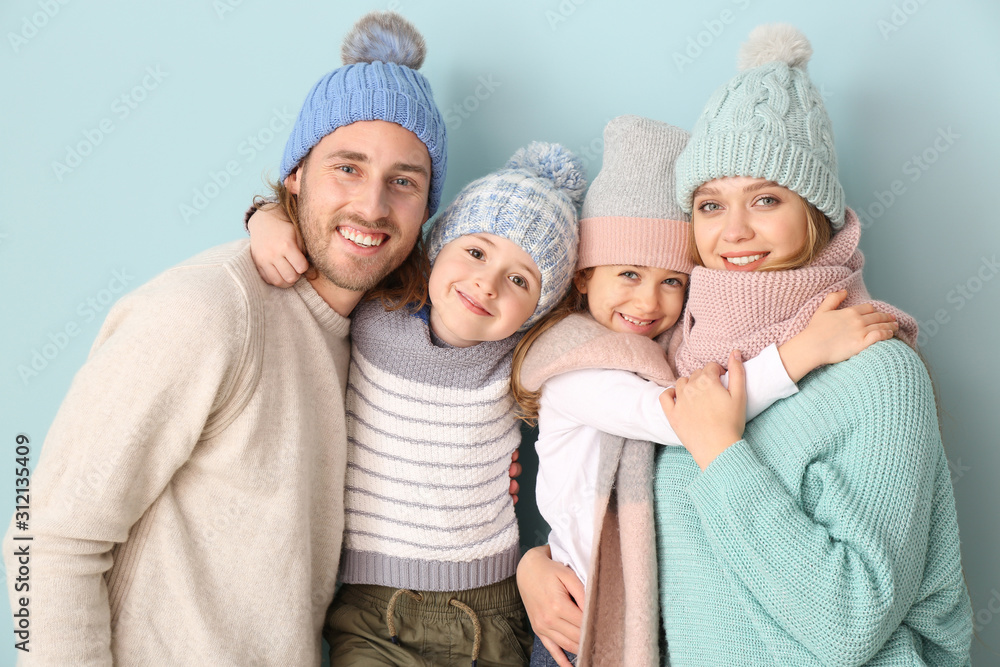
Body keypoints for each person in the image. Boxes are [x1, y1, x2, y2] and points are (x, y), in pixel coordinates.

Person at [2, 11, 449, 665]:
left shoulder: (381, 344)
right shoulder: (207, 311)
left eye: (404, 181)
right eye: (347, 168)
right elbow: (45, 537)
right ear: (295, 174)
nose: (374, 206)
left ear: (427, 206)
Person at [510, 115, 898, 667]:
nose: (648, 304)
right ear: (583, 277)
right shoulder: (577, 369)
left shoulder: (669, 354)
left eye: (672, 282)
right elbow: (681, 417)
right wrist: (804, 351)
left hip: (661, 626)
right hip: (583, 622)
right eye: (627, 274)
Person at [247, 142, 586, 665]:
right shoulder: (376, 311)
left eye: (520, 280)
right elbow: (325, 244)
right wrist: (264, 217)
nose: (486, 283)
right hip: (372, 611)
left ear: (538, 309)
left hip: (489, 611)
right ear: (440, 244)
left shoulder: (523, 359)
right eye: (475, 251)